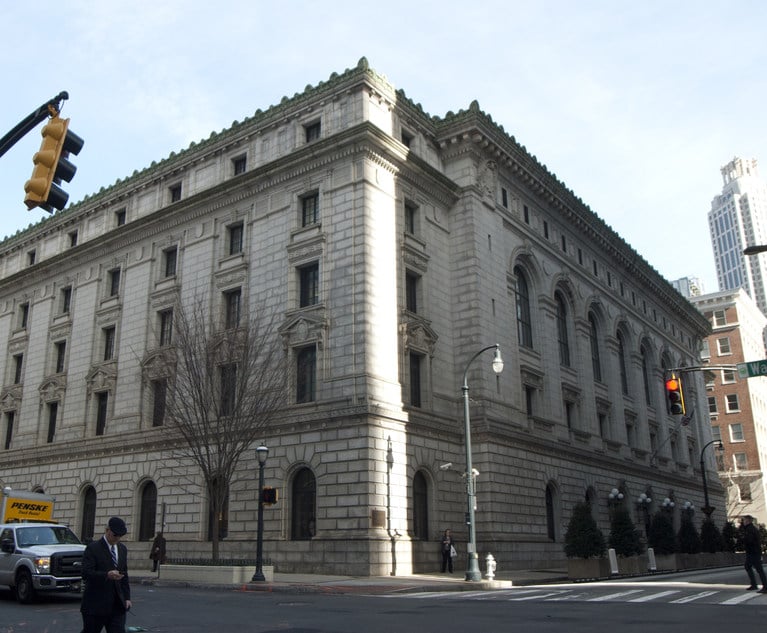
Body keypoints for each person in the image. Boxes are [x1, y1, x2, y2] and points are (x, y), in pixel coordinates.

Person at [81, 516, 132, 633]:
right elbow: (86, 573)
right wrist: (106, 575)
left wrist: (127, 597)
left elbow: (124, 575)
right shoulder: (93, 548)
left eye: (120, 536)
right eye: (115, 535)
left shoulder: (122, 549)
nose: (117, 538)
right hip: (96, 604)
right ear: (107, 530)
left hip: (117, 605)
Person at [742, 514, 767, 593]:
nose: (743, 522)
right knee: (748, 566)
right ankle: (754, 584)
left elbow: (750, 540)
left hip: (753, 552)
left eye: (744, 520)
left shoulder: (750, 529)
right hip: (753, 552)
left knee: (759, 569)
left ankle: (764, 586)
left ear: (748, 521)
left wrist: (744, 540)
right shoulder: (751, 529)